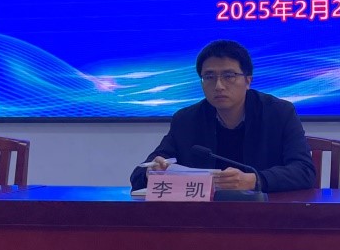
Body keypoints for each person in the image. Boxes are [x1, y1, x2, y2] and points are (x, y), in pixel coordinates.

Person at [131, 40, 316, 194]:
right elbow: (139, 176)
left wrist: (254, 180)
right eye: (209, 77)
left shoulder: (279, 113)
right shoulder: (186, 120)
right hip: (204, 216)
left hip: (265, 214)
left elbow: (304, 171)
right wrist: (151, 172)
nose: (219, 86)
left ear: (248, 80)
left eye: (229, 76)